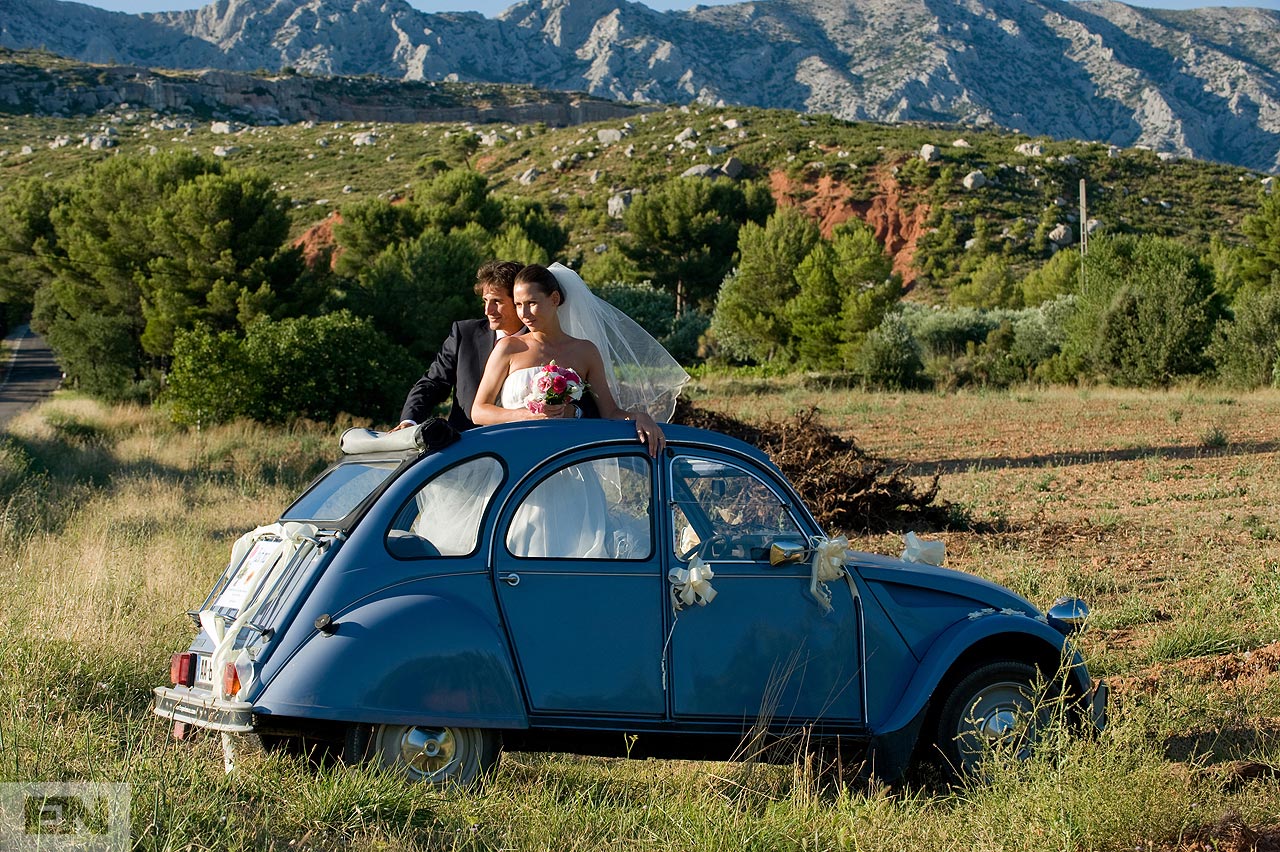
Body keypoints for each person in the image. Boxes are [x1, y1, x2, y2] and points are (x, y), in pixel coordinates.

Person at [471, 263, 688, 457]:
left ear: (554, 299)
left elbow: (609, 413)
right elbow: (479, 411)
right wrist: (526, 415)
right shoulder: (509, 348)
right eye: (518, 305)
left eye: (532, 303)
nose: (524, 313)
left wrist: (640, 417)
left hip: (568, 461)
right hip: (518, 458)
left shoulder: (585, 351)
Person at [392, 260, 588, 433]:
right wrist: (410, 421)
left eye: (497, 301)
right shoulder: (464, 334)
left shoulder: (547, 342)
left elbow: (588, 404)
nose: (488, 310)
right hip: (466, 449)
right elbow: (432, 383)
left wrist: (573, 411)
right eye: (485, 301)